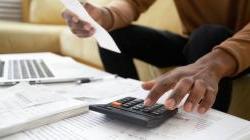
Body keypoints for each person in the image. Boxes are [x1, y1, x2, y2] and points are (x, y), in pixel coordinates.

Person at [62, 0, 250, 114]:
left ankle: (208, 127)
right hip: (194, 43)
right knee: (116, 34)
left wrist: (217, 61)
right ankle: (132, 107)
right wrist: (103, 16)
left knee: (208, 35)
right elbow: (132, 3)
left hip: (242, 50)